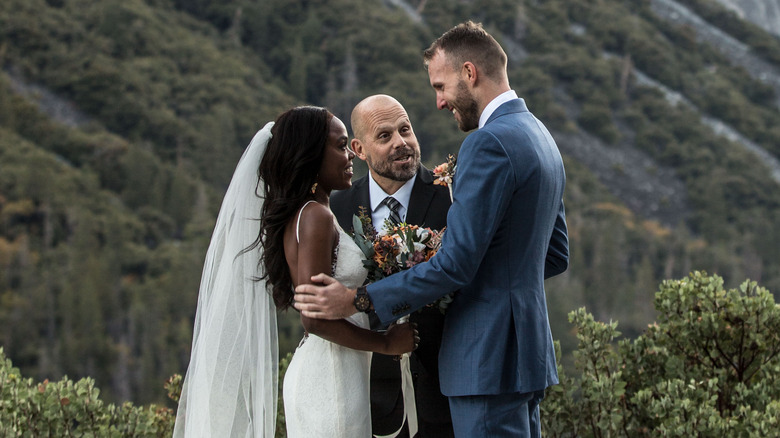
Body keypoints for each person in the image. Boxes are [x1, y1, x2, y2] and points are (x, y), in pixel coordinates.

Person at [293, 21, 569, 438]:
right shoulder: (539, 135)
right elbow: (553, 254)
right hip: (524, 355)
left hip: (484, 356)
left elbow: (456, 264)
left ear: (470, 74)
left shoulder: (486, 143)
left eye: (441, 86)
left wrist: (358, 299)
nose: (439, 102)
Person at [173, 106, 418, 437]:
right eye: (341, 145)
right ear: (312, 155)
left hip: (330, 369)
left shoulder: (308, 213)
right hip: (333, 374)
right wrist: (386, 343)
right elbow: (314, 319)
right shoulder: (315, 217)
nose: (350, 157)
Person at [330, 94, 454, 438]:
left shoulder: (451, 197)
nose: (401, 143)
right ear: (359, 148)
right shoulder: (336, 209)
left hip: (446, 393)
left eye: (405, 130)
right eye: (385, 136)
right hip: (366, 395)